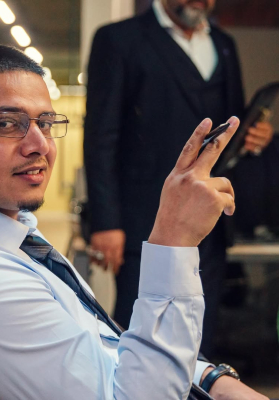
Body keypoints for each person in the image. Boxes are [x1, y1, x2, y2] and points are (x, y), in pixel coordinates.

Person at [0, 44, 268, 400]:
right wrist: (175, 238)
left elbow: (104, 341)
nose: (40, 145)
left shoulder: (7, 229)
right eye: (7, 123)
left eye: (45, 123)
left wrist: (210, 379)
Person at [83, 0, 273, 357]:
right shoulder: (118, 39)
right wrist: (105, 222)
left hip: (210, 220)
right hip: (143, 219)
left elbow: (230, 130)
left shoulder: (224, 44)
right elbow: (100, 136)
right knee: (141, 330)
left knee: (200, 331)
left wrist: (254, 137)